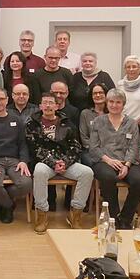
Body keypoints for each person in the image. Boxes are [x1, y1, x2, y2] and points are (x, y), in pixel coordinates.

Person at [28, 91, 92, 234]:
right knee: (38, 172)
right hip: (45, 163)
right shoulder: (32, 124)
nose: (47, 105)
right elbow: (35, 149)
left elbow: (76, 147)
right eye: (45, 102)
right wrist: (53, 163)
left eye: (51, 103)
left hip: (65, 162)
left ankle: (75, 215)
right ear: (40, 106)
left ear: (57, 106)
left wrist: (65, 162)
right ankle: (42, 215)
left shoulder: (67, 123)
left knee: (87, 173)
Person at [89, 89, 140, 229]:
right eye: (111, 102)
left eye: (118, 102)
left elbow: (134, 147)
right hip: (104, 161)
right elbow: (93, 147)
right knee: (108, 178)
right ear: (106, 103)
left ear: (123, 104)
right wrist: (108, 160)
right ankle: (113, 217)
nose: (114, 105)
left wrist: (126, 165)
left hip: (127, 161)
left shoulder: (131, 123)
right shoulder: (98, 121)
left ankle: (126, 218)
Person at [0, 88, 32, 223]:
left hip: (14, 160)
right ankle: (9, 206)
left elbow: (22, 144)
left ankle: (1, 201)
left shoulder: (16, 120)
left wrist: (23, 161)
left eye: (1, 99)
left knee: (26, 183)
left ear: (7, 100)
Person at [116, 55, 140, 132]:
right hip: (124, 125)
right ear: (125, 69)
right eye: (128, 67)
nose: (131, 69)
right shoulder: (120, 84)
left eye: (134, 66)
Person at [78, 83, 109, 164]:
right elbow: (84, 138)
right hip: (90, 151)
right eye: (95, 93)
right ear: (91, 96)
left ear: (106, 95)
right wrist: (98, 151)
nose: (98, 95)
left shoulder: (112, 113)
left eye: (101, 92)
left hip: (109, 150)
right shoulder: (85, 113)